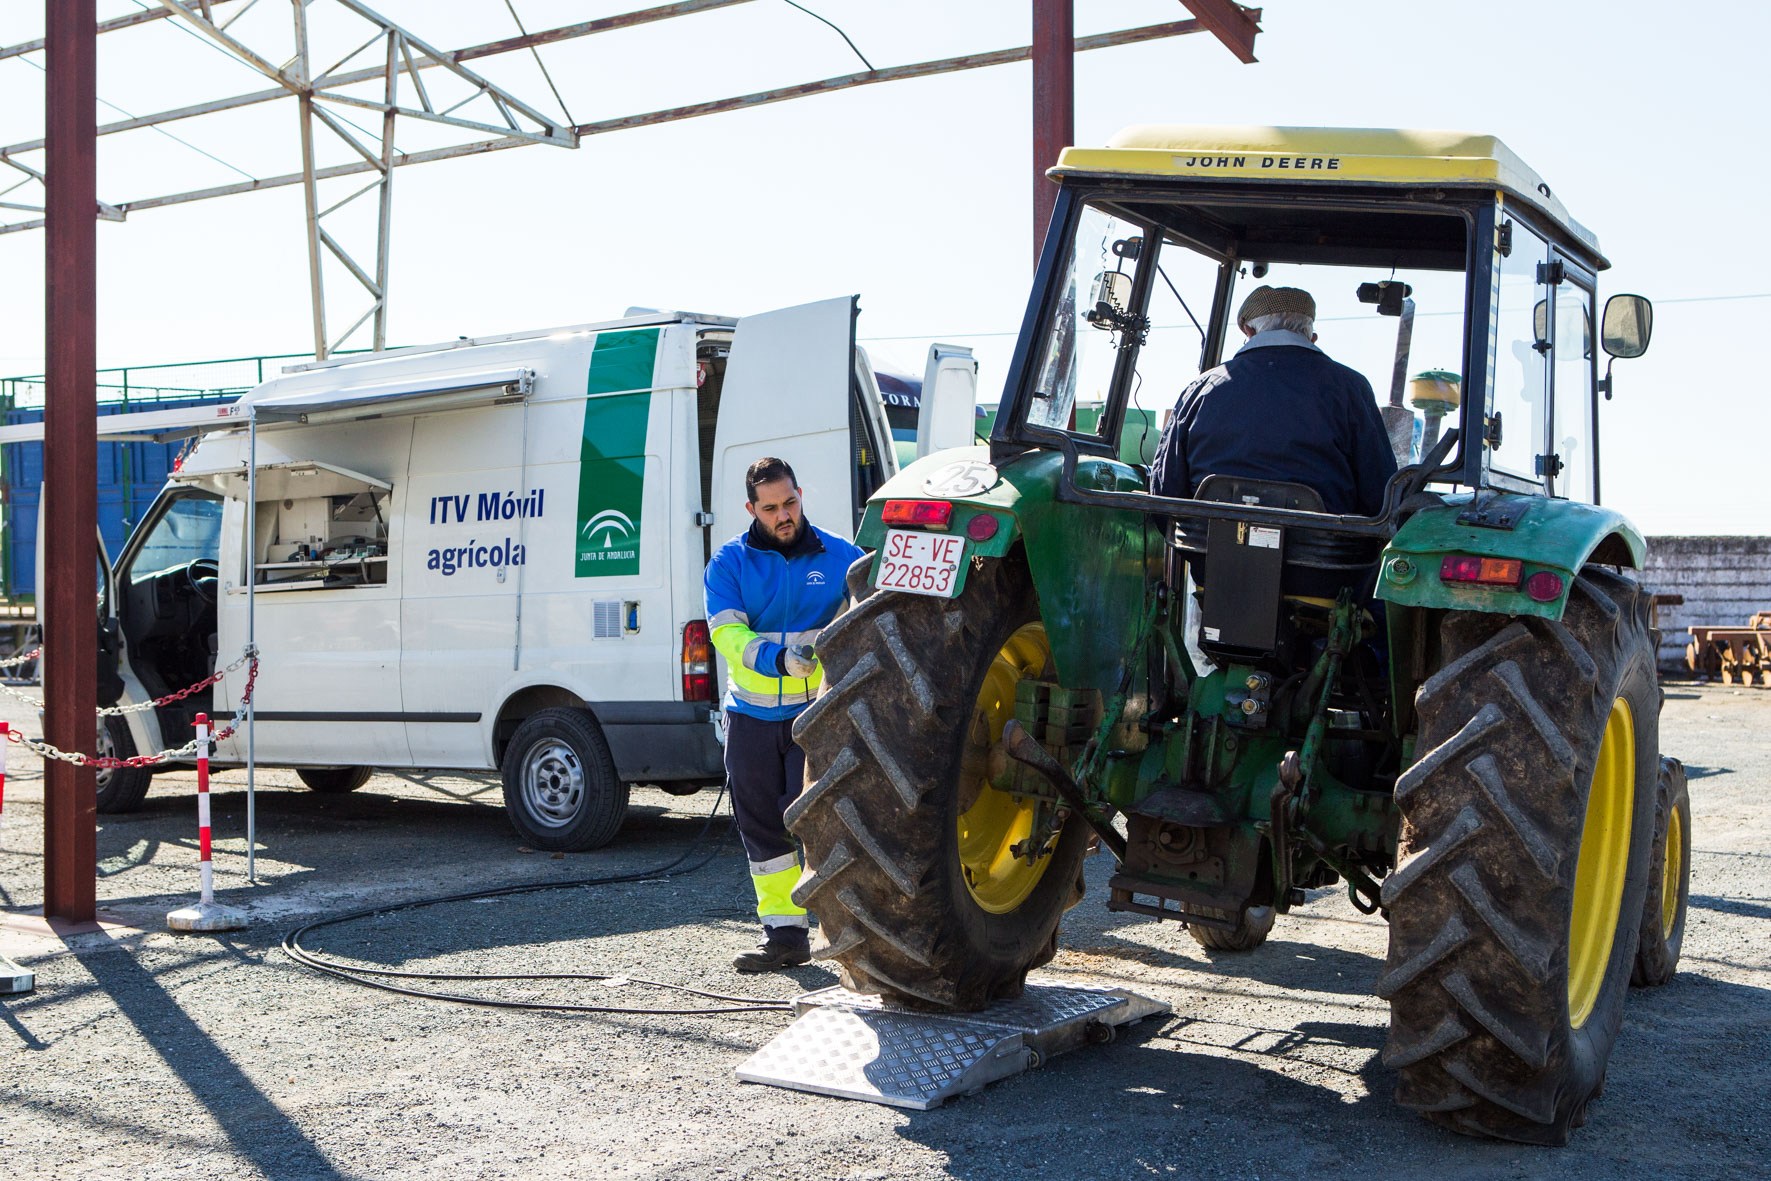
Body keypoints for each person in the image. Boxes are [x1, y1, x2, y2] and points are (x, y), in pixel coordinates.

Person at [704, 457, 864, 971]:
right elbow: (727, 635)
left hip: (814, 717)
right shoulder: (728, 563)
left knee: (825, 825)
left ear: (801, 495)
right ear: (751, 509)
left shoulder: (845, 558)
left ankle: (847, 934)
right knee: (762, 829)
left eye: (790, 502)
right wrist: (778, 660)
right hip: (749, 717)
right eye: (770, 508)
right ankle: (785, 937)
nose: (783, 515)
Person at [1150, 285, 1397, 516]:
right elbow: (1380, 493)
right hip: (1324, 554)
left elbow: (1165, 486)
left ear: (1249, 331)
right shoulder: (1352, 387)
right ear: (1312, 337)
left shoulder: (1201, 388)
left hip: (1205, 549)